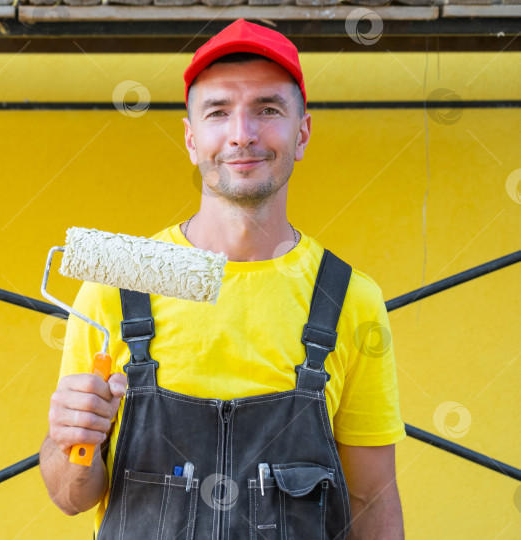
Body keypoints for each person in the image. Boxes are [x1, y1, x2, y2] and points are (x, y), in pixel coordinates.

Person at [40, 19, 405, 540]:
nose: (242, 133)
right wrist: (69, 441)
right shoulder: (117, 287)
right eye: (218, 112)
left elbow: (373, 500)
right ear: (192, 139)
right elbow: (70, 496)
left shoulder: (349, 301)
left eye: (267, 109)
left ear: (301, 133)